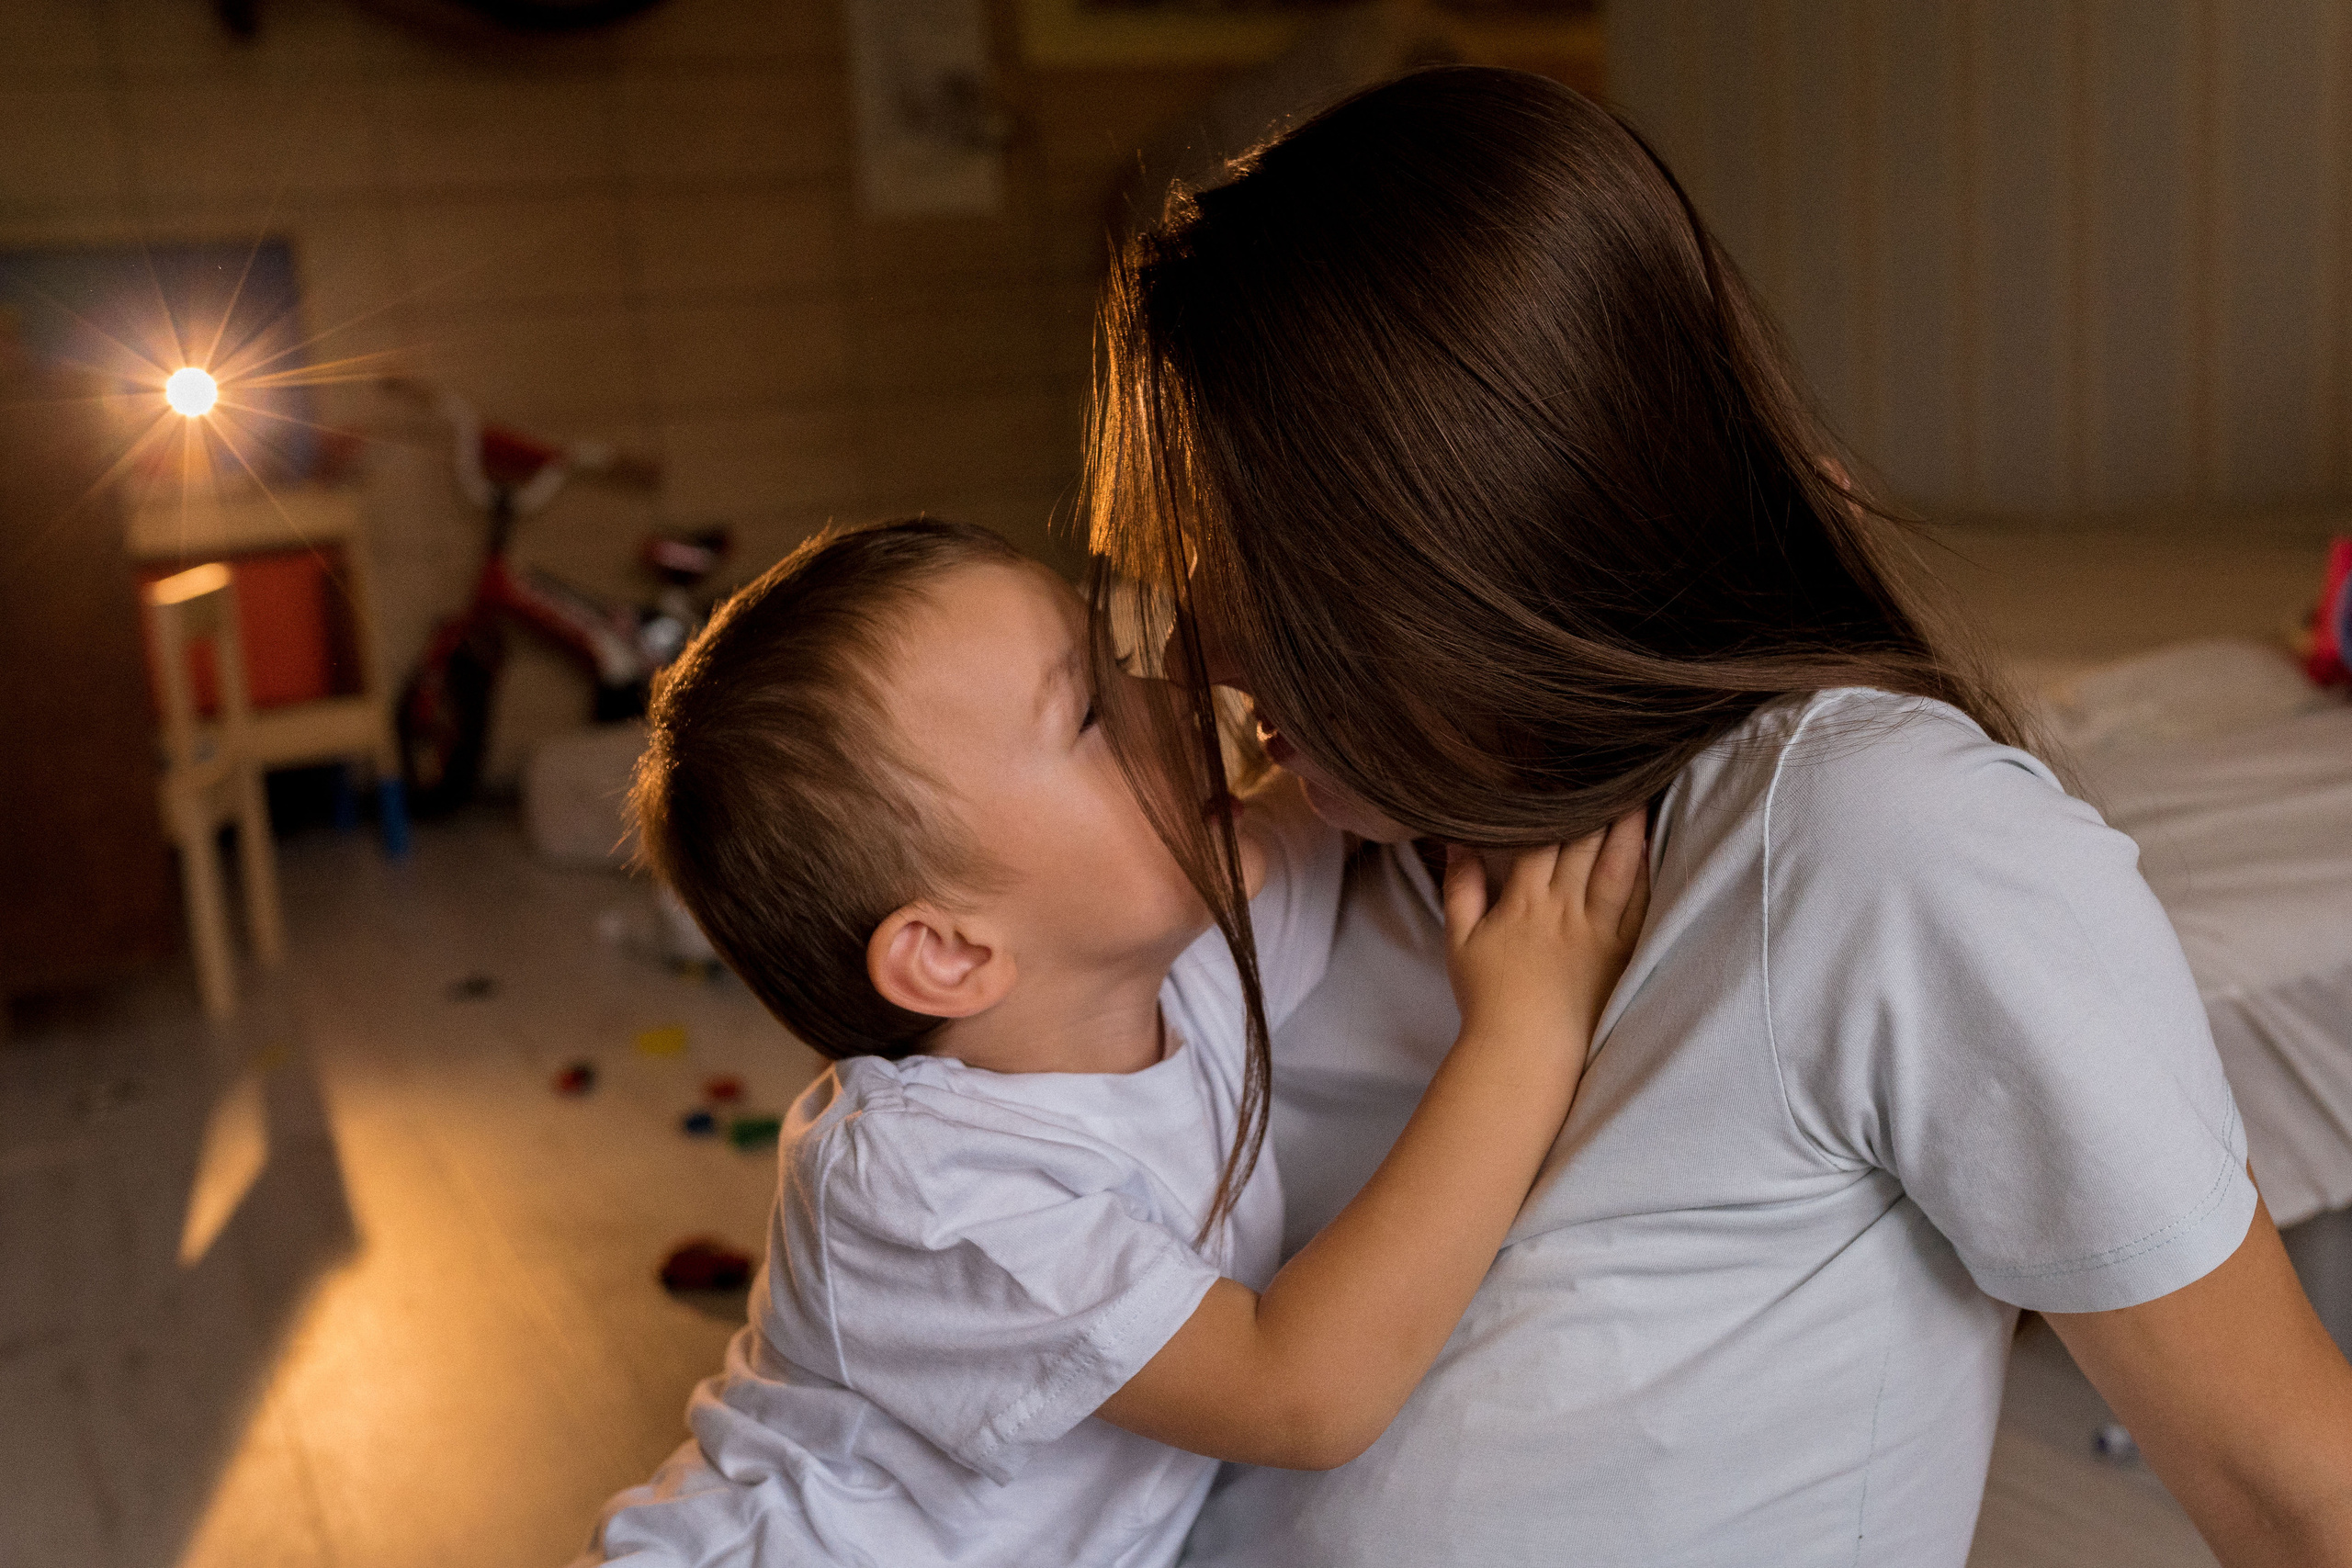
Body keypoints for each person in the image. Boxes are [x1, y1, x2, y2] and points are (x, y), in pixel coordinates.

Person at [1079, 67, 2352, 1568]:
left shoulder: (1882, 841)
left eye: (1261, 587)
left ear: (1478, 547)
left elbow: (2294, 1487)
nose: (1214, 658)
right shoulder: (1317, 863)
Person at [571, 517, 1650, 1567]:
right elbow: (1300, 1394)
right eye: (1088, 710)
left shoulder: (1170, 947)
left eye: (1112, 658)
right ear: (951, 953)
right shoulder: (927, 1188)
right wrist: (1520, 1033)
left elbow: (1343, 792)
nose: (1165, 687)